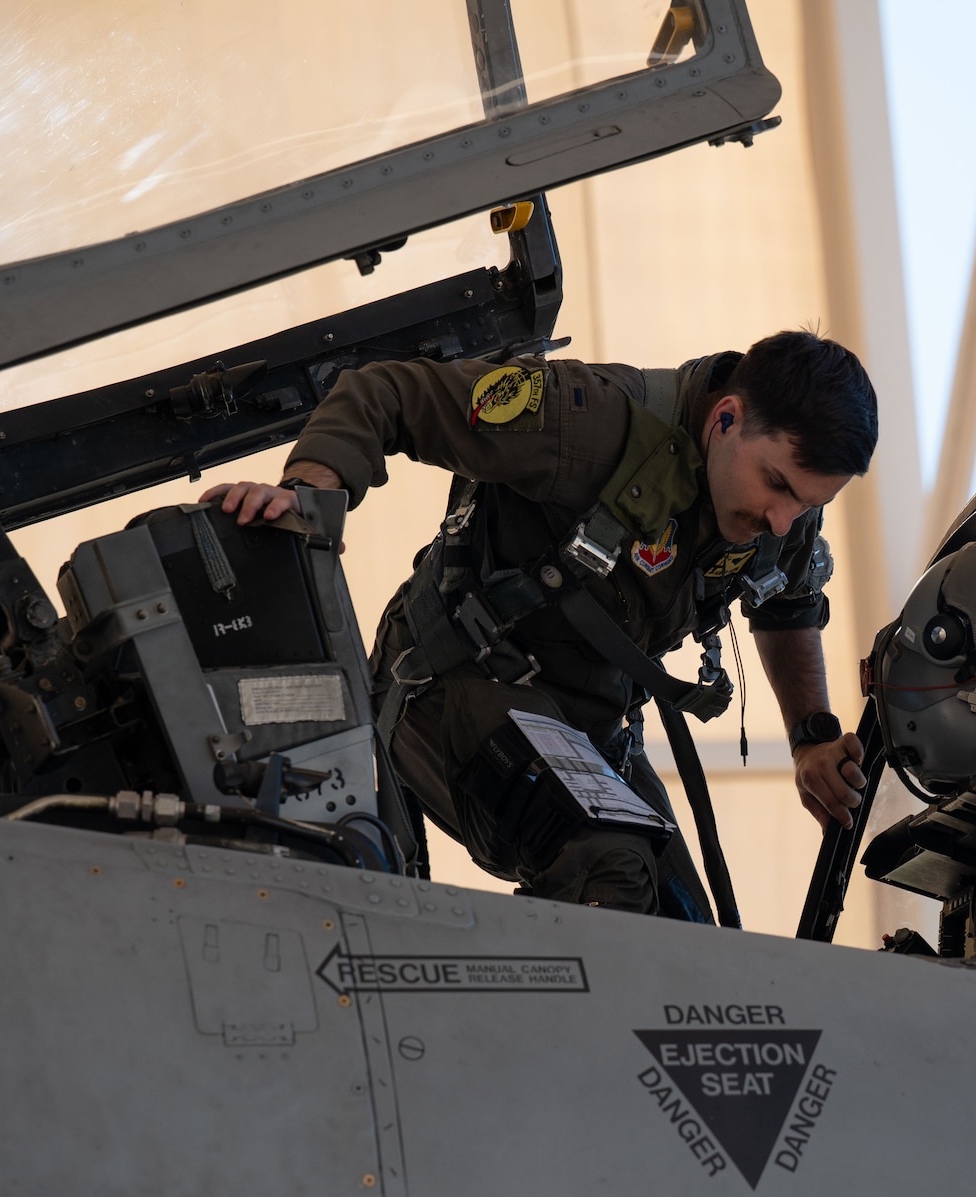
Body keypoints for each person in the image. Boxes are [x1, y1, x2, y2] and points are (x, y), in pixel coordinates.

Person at [201, 330, 874, 920]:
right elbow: (389, 394)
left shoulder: (784, 504)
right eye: (777, 486)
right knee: (610, 871)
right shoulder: (586, 423)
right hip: (455, 685)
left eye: (808, 503)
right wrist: (309, 498)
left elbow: (786, 600)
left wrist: (810, 739)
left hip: (591, 734)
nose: (784, 521)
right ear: (726, 418)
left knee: (688, 950)